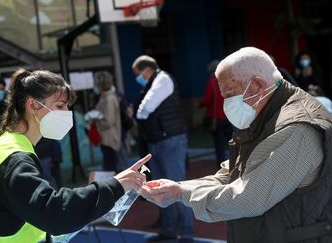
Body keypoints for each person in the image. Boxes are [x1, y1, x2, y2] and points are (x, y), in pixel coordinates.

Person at [142, 47, 332, 243]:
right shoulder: (267, 116)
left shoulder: (296, 128)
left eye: (230, 95)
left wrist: (180, 193)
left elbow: (248, 197)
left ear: (257, 85)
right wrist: (178, 188)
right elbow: (231, 174)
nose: (227, 104)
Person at [0, 68, 151, 243]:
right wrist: (115, 185)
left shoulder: (9, 143)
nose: (67, 112)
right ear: (32, 106)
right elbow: (55, 213)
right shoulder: (15, 157)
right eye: (60, 105)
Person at [132, 55, 194, 243]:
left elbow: (145, 109)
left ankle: (186, 232)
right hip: (159, 140)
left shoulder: (162, 79)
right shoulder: (154, 82)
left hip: (169, 141)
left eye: (138, 74)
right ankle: (169, 230)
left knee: (177, 187)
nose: (138, 78)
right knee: (159, 189)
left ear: (148, 70)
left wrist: (136, 112)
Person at [199, 60, 233, 167]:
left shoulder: (212, 82)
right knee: (231, 143)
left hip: (216, 118)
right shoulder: (228, 81)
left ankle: (221, 166)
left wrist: (200, 104)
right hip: (229, 116)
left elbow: (207, 100)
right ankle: (236, 162)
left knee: (219, 145)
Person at [93, 71, 122, 172]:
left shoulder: (108, 99)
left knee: (111, 169)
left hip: (110, 140)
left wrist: (96, 122)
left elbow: (108, 121)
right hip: (107, 139)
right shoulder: (105, 97)